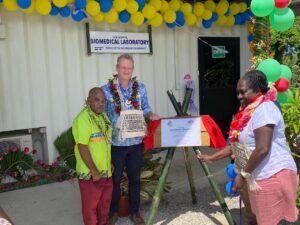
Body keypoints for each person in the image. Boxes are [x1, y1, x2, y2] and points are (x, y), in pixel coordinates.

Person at [198, 70, 298, 225]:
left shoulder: (265, 109)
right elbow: (237, 144)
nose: (238, 96)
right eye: (237, 93)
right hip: (256, 175)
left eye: (242, 92)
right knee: (253, 216)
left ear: (258, 90)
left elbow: (262, 148)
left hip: (272, 174)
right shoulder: (248, 111)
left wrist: (242, 176)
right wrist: (211, 158)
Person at [101, 54, 159, 225]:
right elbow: (101, 114)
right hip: (116, 143)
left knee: (134, 178)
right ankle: (113, 212)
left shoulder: (140, 88)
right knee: (115, 179)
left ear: (132, 69)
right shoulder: (105, 89)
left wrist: (150, 114)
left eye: (129, 68)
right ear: (117, 68)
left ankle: (134, 212)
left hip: (135, 143)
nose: (126, 70)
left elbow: (146, 107)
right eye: (123, 67)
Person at [72, 87, 113, 225]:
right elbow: (82, 147)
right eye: (97, 100)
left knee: (104, 203)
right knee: (90, 206)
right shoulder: (83, 119)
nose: (101, 103)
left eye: (103, 101)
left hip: (105, 170)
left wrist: (109, 163)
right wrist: (94, 170)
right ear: (88, 100)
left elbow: (105, 142)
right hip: (91, 174)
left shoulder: (103, 116)